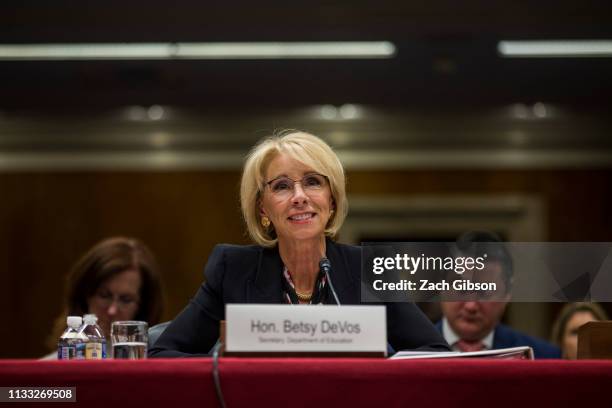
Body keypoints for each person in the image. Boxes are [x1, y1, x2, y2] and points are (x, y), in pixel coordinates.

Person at [149, 130, 449, 357]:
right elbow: (163, 354)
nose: (299, 196)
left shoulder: (368, 269)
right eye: (281, 186)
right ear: (263, 209)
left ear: (331, 200)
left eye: (313, 181)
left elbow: (434, 354)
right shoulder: (234, 270)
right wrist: (225, 370)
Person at [437, 231, 561, 358]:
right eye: (462, 289)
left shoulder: (544, 357)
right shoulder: (416, 350)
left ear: (507, 295)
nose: (471, 306)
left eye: (484, 293)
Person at [45, 236, 164, 358]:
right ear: (84, 296)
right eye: (104, 295)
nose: (112, 310)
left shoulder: (160, 363)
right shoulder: (49, 367)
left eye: (126, 300)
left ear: (143, 306)